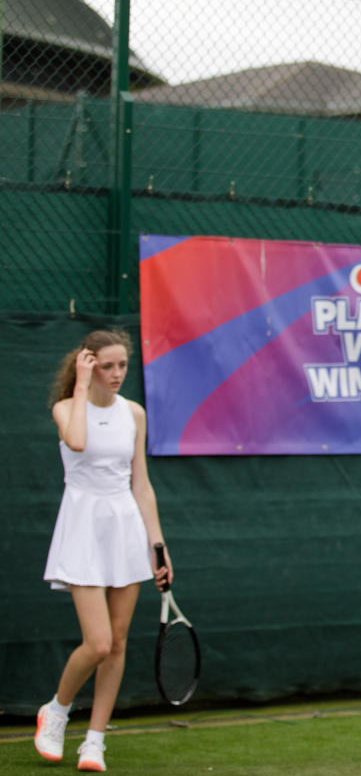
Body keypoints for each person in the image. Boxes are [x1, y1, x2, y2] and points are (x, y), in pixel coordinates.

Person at [34, 329, 171, 772]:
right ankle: (56, 710)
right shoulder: (65, 408)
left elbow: (141, 484)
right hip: (82, 528)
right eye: (106, 366)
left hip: (126, 529)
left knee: (118, 643)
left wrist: (158, 546)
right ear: (88, 364)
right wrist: (78, 384)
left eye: (122, 366)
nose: (116, 374)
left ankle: (94, 741)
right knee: (97, 642)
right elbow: (77, 441)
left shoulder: (134, 413)